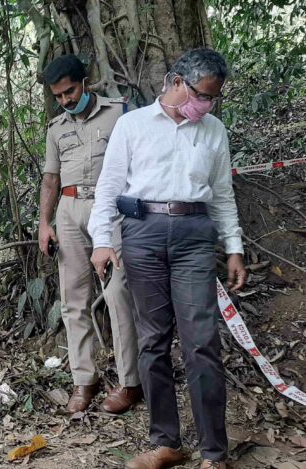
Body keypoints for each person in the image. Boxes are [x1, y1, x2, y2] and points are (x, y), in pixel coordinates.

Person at [88, 48, 246, 469]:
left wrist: (234, 247)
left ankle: (215, 452)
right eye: (202, 95)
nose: (206, 105)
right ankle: (166, 443)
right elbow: (108, 188)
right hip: (143, 234)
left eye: (213, 98)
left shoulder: (213, 130)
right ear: (176, 82)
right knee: (153, 341)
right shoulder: (132, 125)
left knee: (202, 344)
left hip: (195, 237)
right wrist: (102, 240)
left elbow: (223, 195)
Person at [38, 55, 141, 415]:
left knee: (117, 294)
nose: (66, 100)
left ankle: (130, 382)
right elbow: (50, 179)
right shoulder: (56, 128)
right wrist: (44, 222)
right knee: (73, 299)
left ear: (86, 82)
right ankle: (85, 380)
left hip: (111, 209)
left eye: (70, 91)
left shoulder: (120, 112)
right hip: (69, 211)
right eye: (59, 96)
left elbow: (141, 161)